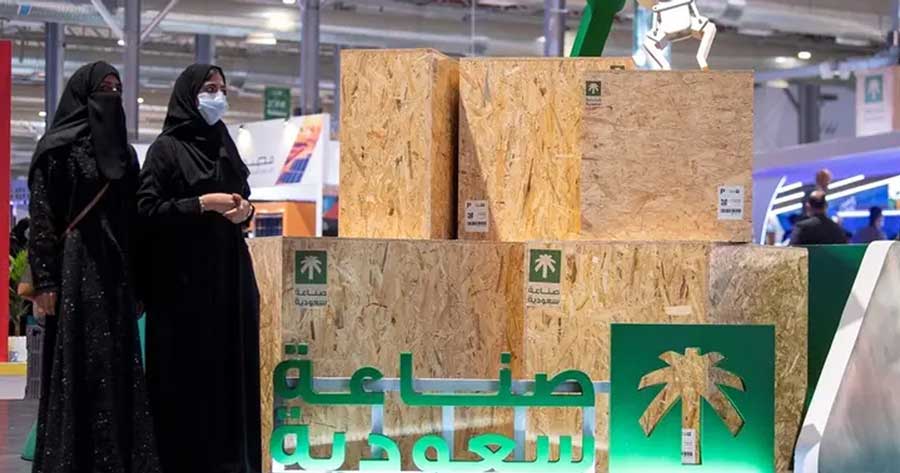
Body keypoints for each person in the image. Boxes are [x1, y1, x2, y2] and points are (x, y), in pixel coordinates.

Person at [27, 61, 160, 473]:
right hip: (74, 269)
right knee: (76, 361)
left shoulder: (125, 153)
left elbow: (136, 221)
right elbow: (43, 218)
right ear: (83, 94)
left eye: (117, 88)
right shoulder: (56, 149)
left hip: (116, 271)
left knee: (116, 362)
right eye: (104, 87)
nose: (112, 95)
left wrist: (141, 282)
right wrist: (45, 281)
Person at [137, 64, 261, 473]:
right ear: (189, 94)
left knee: (230, 371)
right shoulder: (166, 149)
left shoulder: (223, 142)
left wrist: (245, 211)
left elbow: (244, 197)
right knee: (187, 376)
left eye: (222, 88)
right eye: (209, 88)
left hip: (229, 275)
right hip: (182, 284)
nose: (218, 96)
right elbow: (146, 211)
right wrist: (201, 204)